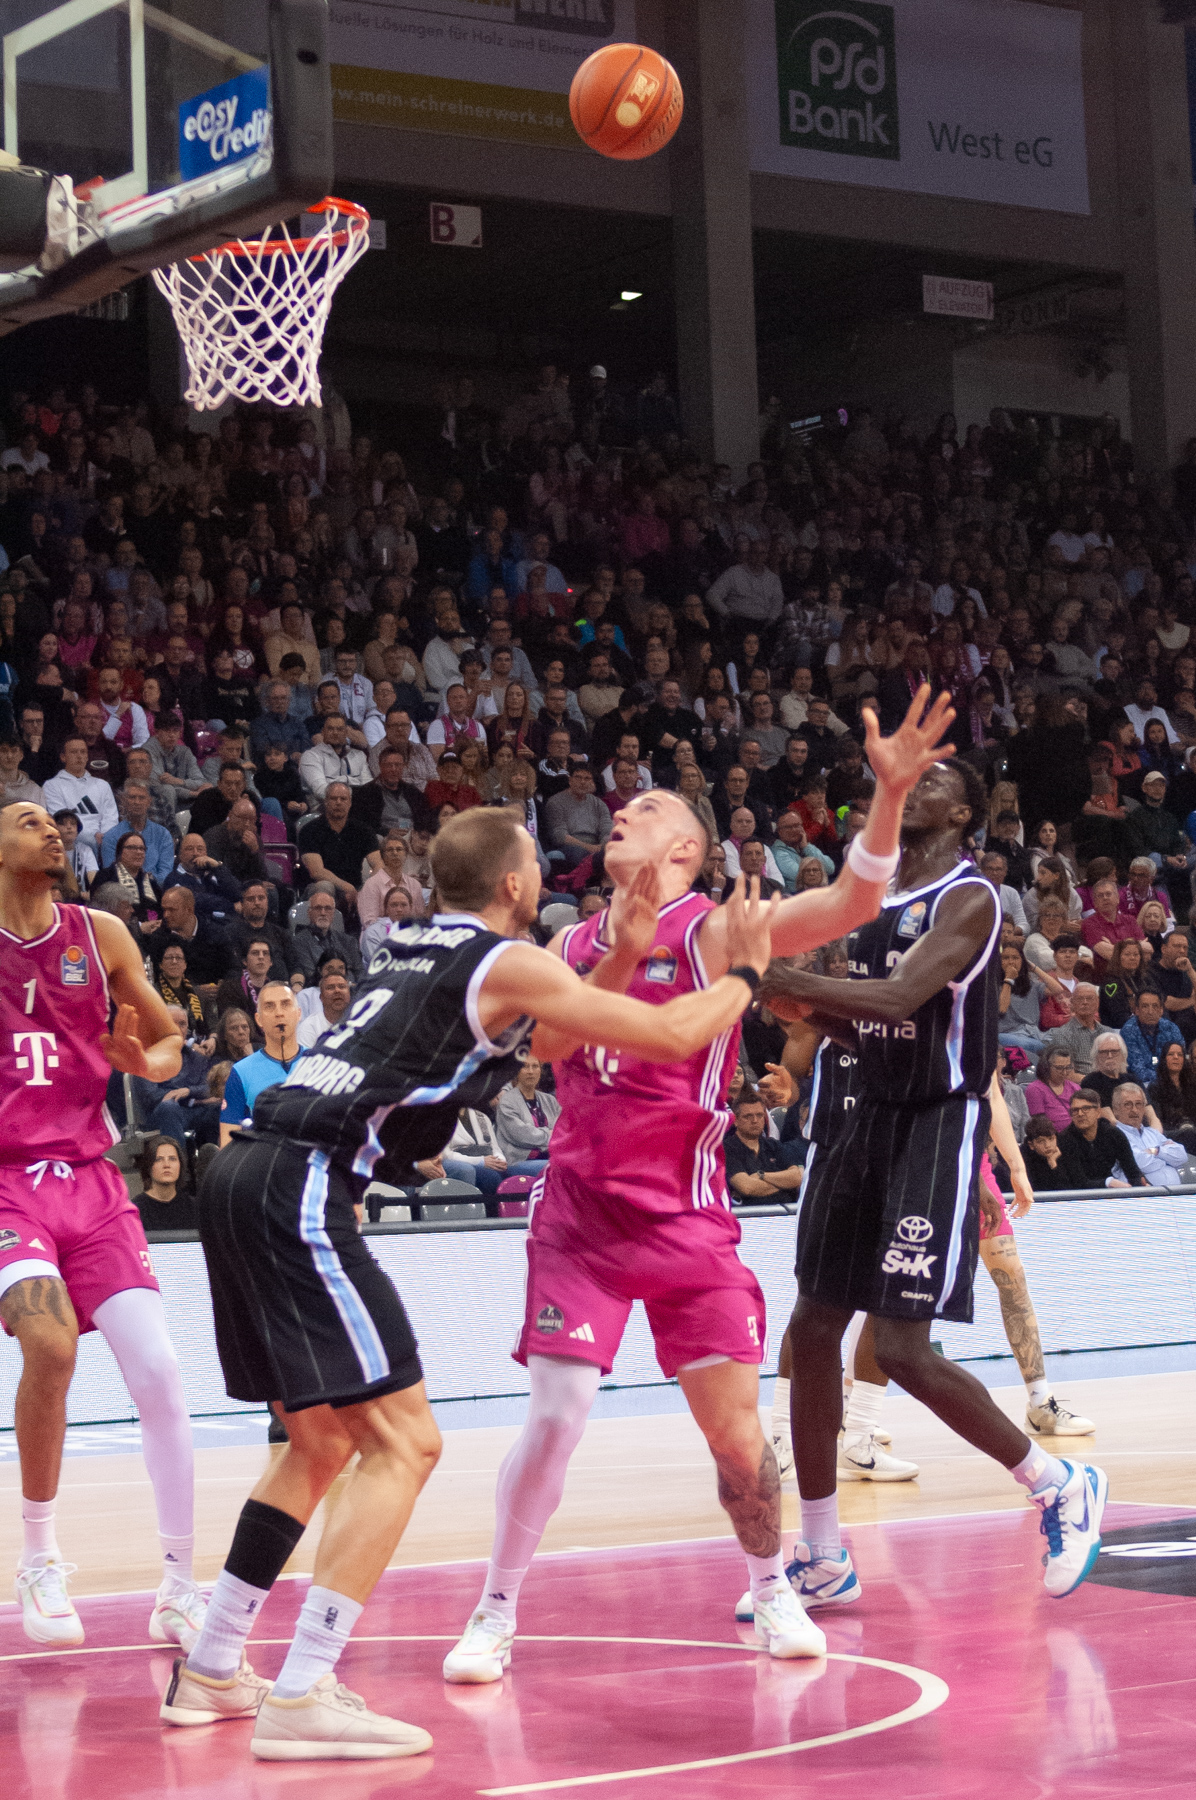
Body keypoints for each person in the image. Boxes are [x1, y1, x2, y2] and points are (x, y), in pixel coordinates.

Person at [163, 807, 775, 1760]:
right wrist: (746, 973)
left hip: (240, 1178)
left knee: (319, 1442)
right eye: (536, 867)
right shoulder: (510, 960)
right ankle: (304, 1688)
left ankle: (210, 1666)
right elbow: (664, 1034)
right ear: (515, 886)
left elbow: (545, 1045)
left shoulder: (405, 946)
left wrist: (622, 950)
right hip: (302, 1186)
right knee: (406, 1444)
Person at [444, 686, 962, 1686]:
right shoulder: (565, 945)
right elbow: (548, 1047)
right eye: (620, 805)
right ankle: (494, 1608)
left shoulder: (719, 929)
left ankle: (771, 1586)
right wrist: (620, 951)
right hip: (581, 1219)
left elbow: (853, 903)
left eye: (645, 808)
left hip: (688, 1225)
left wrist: (889, 795)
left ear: (683, 848)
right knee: (555, 1418)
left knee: (734, 1437)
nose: (621, 809)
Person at [761, 753, 1109, 1607]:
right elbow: (870, 1028)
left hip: (935, 1128)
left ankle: (1058, 1483)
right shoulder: (878, 897)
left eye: (934, 783)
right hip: (865, 1118)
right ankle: (822, 1551)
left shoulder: (971, 897)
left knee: (902, 1349)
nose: (912, 787)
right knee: (812, 1326)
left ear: (962, 815)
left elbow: (897, 998)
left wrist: (780, 974)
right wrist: (808, 1010)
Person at [0, 797, 205, 1651]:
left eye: (54, 821)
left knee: (159, 1373)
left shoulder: (102, 934)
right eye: (26, 819)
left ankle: (179, 1587)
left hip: (91, 1179)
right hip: (8, 1183)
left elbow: (169, 1044)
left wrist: (140, 1062)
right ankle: (39, 1560)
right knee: (51, 1346)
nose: (50, 828)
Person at [219, 981, 307, 1146]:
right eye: (269, 1006)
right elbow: (227, 1143)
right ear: (258, 1019)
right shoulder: (241, 1072)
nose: (279, 1013)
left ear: (298, 1013)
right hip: (264, 1158)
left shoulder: (321, 1063)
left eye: (285, 1004)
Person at [723, 1089, 803, 1202]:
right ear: (735, 1120)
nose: (755, 1120)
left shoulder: (774, 1145)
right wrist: (784, 1185)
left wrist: (761, 1175)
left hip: (787, 1209)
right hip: (750, 1211)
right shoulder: (727, 1149)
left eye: (759, 1115)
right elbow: (746, 1187)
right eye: (748, 1116)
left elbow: (797, 1178)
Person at [1057, 1087, 1147, 1188]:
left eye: (1086, 1109)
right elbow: (1078, 1182)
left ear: (1098, 1112)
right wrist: (1108, 1182)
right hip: (1077, 1194)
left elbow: (1132, 1171)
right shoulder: (1065, 1139)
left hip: (1108, 1192)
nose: (1080, 1114)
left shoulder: (1113, 1134)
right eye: (1075, 1110)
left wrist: (1140, 1184)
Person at [1109, 1081, 1189, 1187]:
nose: (1134, 1110)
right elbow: (1139, 1162)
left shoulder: (1152, 1133)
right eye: (1128, 1104)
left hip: (1175, 1193)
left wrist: (1155, 1151)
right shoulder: (1114, 1135)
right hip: (1141, 1194)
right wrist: (1167, 1160)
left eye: (1139, 1104)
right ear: (1115, 1109)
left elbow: (1182, 1156)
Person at [493, 1055, 560, 1166]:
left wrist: (553, 1136)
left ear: (540, 1070)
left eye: (535, 1066)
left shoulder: (550, 1100)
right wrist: (550, 1134)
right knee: (555, 1168)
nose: (530, 1071)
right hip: (519, 1160)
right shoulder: (507, 1101)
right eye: (525, 1066)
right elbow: (521, 1135)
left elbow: (561, 1129)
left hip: (551, 1156)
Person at [1121, 987, 1184, 1088]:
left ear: (1161, 1010)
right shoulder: (1129, 1031)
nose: (1150, 1012)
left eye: (1155, 1006)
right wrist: (1169, 1078)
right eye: (1145, 1006)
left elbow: (1181, 1060)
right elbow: (1138, 1071)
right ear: (1137, 1010)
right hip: (1140, 1086)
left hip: (1172, 1083)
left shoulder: (1171, 1028)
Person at [135, 1136, 199, 1234]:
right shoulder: (135, 1210)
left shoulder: (195, 1208)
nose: (166, 1165)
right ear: (148, 1166)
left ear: (180, 1164)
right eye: (158, 1159)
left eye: (172, 1159)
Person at [1043, 983, 1102, 1077]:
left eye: (1090, 998)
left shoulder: (1108, 1033)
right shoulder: (1062, 1035)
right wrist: (1095, 1082)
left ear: (1097, 1003)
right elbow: (1066, 1075)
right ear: (1072, 1003)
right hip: (1084, 1083)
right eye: (1080, 999)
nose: (1085, 1002)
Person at [1149, 1039, 1196, 1150]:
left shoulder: (1192, 1085)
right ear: (1164, 1059)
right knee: (1188, 1134)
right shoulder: (1155, 1087)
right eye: (1171, 1054)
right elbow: (1158, 1122)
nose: (1176, 1057)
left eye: (1180, 1054)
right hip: (1171, 1134)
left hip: (1193, 1130)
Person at [295, 961, 354, 1048]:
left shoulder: (362, 1021)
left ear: (349, 994)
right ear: (321, 997)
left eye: (342, 986)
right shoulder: (309, 1028)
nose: (337, 991)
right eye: (330, 988)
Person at [1024, 1047, 1081, 1134]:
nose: (1064, 1072)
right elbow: (1039, 1125)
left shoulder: (1075, 1088)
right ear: (1046, 1067)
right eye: (1059, 1068)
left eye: (1068, 1067)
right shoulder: (1035, 1089)